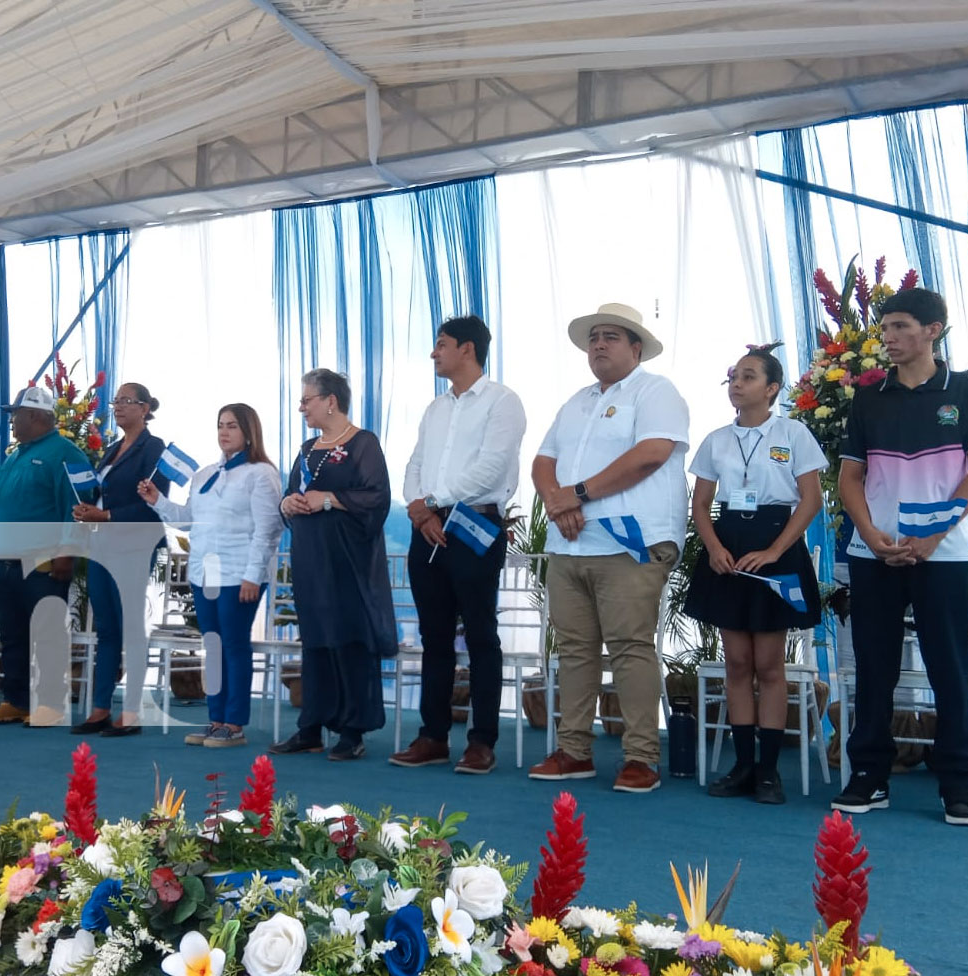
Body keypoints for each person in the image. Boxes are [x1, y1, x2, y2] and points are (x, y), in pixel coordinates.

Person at [831, 287, 968, 826]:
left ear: (933, 330)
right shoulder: (869, 397)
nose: (889, 338)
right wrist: (870, 533)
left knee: (950, 668)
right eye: (885, 329)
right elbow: (849, 476)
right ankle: (868, 776)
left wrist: (933, 535)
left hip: (946, 554)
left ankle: (958, 784)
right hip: (873, 552)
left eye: (901, 327)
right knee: (873, 667)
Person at [530, 303, 689, 792]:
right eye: (594, 337)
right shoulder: (576, 401)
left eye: (611, 337)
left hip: (630, 542)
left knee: (629, 647)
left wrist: (577, 494)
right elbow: (542, 460)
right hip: (571, 542)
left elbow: (651, 454)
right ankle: (573, 751)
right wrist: (559, 502)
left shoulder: (656, 390)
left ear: (636, 347)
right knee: (575, 651)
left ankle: (641, 756)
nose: (598, 344)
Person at [682, 344, 824, 804]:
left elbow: (811, 500)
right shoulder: (716, 440)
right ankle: (742, 765)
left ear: (772, 388)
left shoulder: (794, 433)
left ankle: (768, 770)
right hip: (729, 546)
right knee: (738, 663)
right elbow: (701, 504)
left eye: (747, 376)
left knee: (769, 664)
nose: (737, 384)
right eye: (733, 377)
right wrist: (715, 548)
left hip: (775, 544)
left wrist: (775, 551)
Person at [391, 316, 527, 776]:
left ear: (467, 349)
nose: (434, 354)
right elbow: (415, 463)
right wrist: (419, 507)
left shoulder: (502, 402)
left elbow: (491, 469)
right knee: (433, 636)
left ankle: (482, 740)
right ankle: (432, 736)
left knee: (482, 636)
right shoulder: (436, 408)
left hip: (473, 525)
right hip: (427, 527)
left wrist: (432, 502)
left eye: (441, 344)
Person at [138, 403, 283, 748]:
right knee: (213, 647)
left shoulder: (261, 474)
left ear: (249, 431)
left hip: (240, 572)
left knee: (233, 645)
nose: (224, 431)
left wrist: (253, 575)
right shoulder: (204, 474)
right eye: (220, 425)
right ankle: (215, 718)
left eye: (232, 425)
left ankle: (234, 723)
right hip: (205, 573)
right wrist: (157, 500)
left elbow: (268, 529)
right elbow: (188, 520)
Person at [271, 368, 397, 761]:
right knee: (316, 638)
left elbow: (377, 497)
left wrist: (329, 499)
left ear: (331, 401)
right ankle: (311, 725)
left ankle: (352, 729)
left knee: (349, 638)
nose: (301, 407)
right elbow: (294, 491)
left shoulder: (364, 444)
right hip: (311, 558)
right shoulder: (308, 449)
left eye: (307, 399)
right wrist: (287, 503)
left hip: (349, 559)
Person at [0, 385, 89, 726]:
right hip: (6, 562)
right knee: (11, 635)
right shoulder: (16, 454)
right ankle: (18, 701)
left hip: (42, 563)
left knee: (47, 636)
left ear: (36, 416)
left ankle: (52, 704)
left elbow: (78, 507)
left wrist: (67, 553)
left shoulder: (66, 453)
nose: (12, 421)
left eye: (16, 415)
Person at [69, 382, 169, 736]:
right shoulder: (111, 449)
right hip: (102, 545)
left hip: (134, 545)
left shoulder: (153, 448)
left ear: (145, 408)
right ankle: (99, 708)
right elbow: (105, 493)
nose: (119, 406)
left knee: (130, 630)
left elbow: (152, 505)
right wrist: (90, 509)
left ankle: (131, 711)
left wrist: (107, 516)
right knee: (106, 628)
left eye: (127, 401)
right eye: (116, 401)